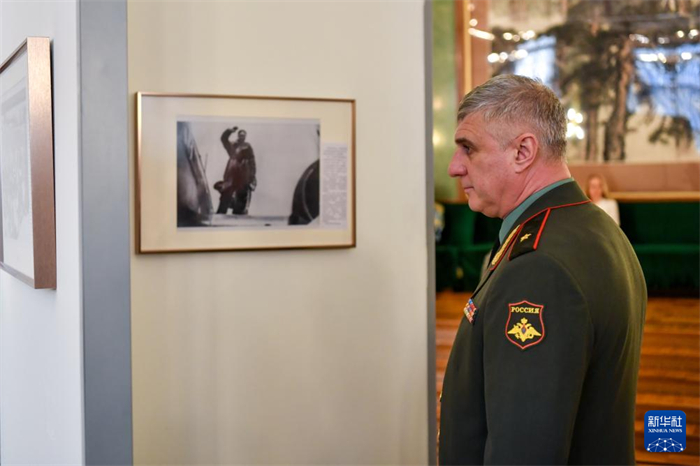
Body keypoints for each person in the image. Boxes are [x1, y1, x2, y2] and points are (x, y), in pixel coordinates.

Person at [440, 74, 646, 465]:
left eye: (468, 148)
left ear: (523, 152)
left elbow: (524, 450)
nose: (454, 167)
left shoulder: (538, 269)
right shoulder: (595, 229)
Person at [216, 127, 257, 215]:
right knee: (225, 197)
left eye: (243, 135)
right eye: (240, 135)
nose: (242, 137)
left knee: (241, 201)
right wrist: (229, 131)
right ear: (238, 135)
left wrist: (252, 177)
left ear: (245, 137)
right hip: (231, 175)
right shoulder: (232, 146)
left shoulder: (248, 147)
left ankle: (239, 214)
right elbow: (223, 139)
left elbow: (252, 163)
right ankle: (221, 215)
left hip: (243, 177)